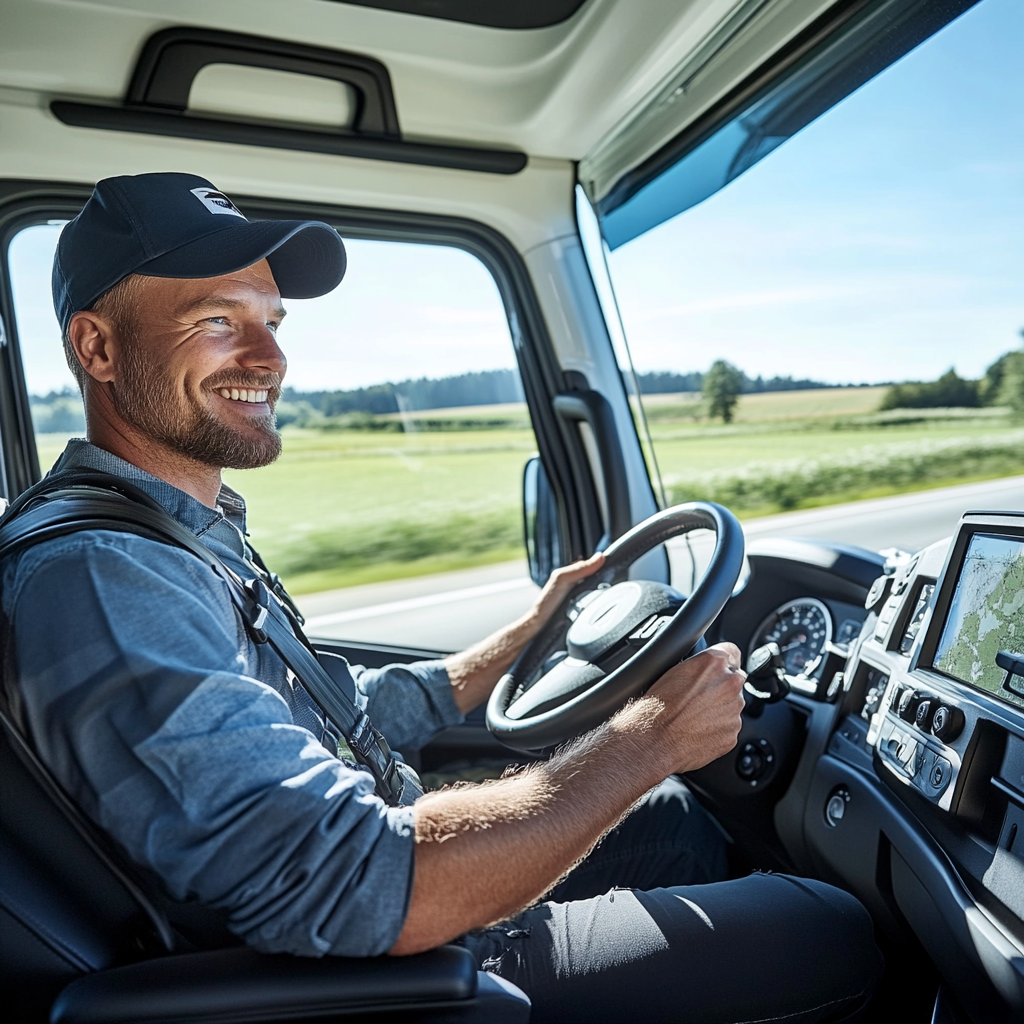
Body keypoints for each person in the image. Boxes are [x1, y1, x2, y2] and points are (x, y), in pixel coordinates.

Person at [2, 172, 882, 1023]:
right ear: (98, 347)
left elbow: (328, 716)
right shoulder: (106, 574)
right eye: (218, 321)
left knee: (680, 823)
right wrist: (648, 738)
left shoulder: (173, 531)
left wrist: (522, 640)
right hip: (387, 969)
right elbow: (347, 882)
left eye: (271, 320)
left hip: (391, 896)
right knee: (836, 933)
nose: (270, 358)